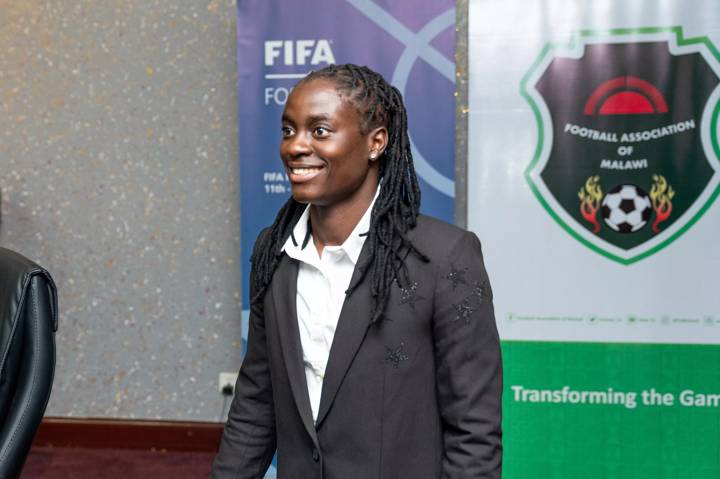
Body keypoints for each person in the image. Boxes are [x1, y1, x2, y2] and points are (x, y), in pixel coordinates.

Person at [211, 64, 502, 479]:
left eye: (320, 131)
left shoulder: (444, 258)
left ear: (376, 142)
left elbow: (474, 430)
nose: (296, 146)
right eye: (289, 130)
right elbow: (257, 402)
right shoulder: (274, 251)